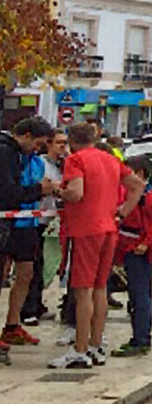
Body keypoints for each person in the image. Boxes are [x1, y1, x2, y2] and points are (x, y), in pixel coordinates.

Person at [49, 123, 142, 369]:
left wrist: (56, 190)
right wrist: (122, 213)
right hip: (109, 227)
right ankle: (95, 344)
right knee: (100, 287)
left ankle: (79, 350)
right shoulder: (110, 159)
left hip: (85, 229)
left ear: (71, 141)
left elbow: (76, 193)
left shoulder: (76, 160)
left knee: (82, 290)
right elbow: (137, 185)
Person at [1, 117, 56, 348]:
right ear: (25, 135)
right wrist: (38, 190)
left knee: (26, 273)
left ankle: (12, 325)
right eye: (37, 143)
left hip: (27, 223)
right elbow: (8, 193)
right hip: (8, 222)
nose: (38, 149)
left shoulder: (32, 159)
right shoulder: (6, 153)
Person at [112, 156, 152, 357]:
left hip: (140, 250)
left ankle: (141, 339)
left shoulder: (146, 195)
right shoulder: (136, 194)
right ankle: (140, 337)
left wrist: (146, 243)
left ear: (140, 174)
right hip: (131, 247)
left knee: (140, 296)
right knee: (138, 295)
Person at [21, 129, 67, 326]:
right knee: (33, 266)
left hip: (50, 221)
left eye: (65, 143)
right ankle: (29, 308)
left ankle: (37, 303)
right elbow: (43, 185)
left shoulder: (62, 165)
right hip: (34, 220)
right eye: (59, 143)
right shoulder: (41, 164)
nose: (63, 147)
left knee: (46, 266)